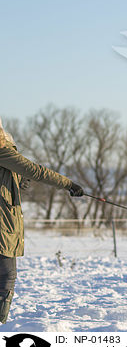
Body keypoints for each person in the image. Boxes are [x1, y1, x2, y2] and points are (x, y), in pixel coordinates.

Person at [0, 117, 84, 324]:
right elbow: (37, 171)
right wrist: (69, 184)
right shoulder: (3, 151)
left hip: (5, 222)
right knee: (7, 276)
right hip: (2, 225)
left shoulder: (7, 153)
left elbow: (18, 185)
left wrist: (20, 180)